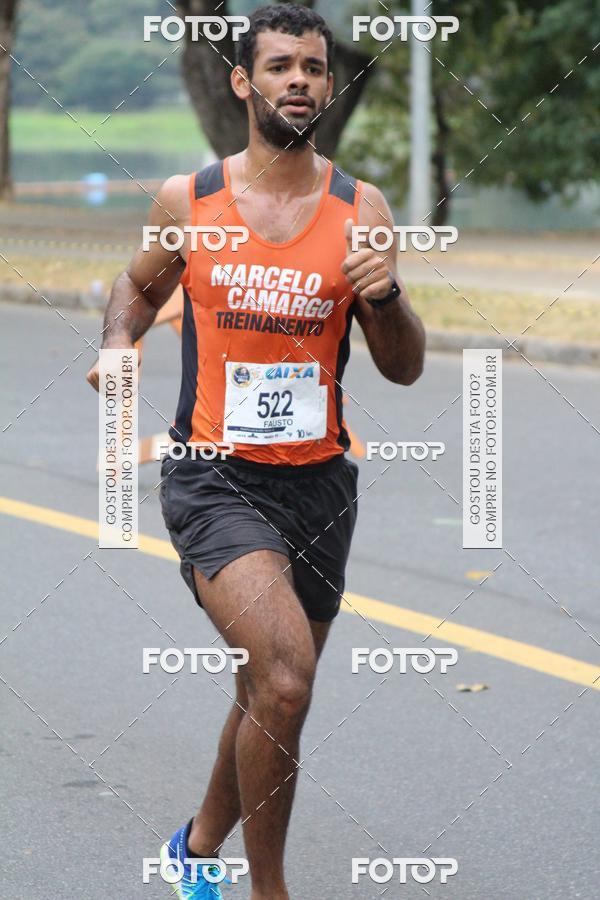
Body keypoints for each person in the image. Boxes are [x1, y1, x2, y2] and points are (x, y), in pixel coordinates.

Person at [87, 5, 425, 897]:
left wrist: (386, 298)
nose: (300, 82)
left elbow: (403, 370)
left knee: (264, 692)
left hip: (320, 486)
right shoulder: (188, 200)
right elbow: (134, 287)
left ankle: (193, 851)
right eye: (279, 67)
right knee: (283, 679)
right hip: (212, 477)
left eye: (313, 68)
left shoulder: (362, 210)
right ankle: (266, 888)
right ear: (245, 82)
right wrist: (119, 345)